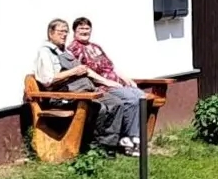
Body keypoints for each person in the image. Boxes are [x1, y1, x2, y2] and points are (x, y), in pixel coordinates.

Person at [35, 18, 141, 156]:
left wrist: (107, 80)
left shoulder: (65, 51)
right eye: (60, 32)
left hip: (85, 90)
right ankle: (97, 144)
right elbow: (47, 80)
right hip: (65, 96)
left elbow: (89, 70)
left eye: (66, 32)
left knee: (116, 103)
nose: (64, 35)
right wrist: (73, 72)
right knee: (100, 107)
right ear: (51, 33)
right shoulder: (45, 53)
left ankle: (109, 144)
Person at [67, 17, 147, 150]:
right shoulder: (74, 48)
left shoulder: (96, 47)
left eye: (87, 28)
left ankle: (134, 136)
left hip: (116, 82)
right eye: (81, 28)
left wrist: (126, 78)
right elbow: (85, 71)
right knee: (131, 99)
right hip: (102, 86)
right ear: (74, 31)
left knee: (141, 96)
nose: (85, 31)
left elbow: (110, 67)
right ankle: (129, 138)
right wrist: (107, 82)